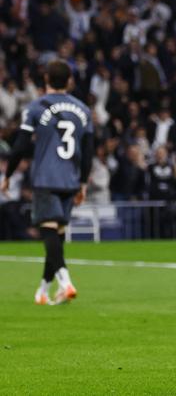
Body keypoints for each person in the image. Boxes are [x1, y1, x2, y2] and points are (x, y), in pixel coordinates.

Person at [1, 60, 93, 305]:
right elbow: (88, 150)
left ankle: (66, 282)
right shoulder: (83, 110)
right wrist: (83, 183)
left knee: (48, 232)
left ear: (46, 80)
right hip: (71, 179)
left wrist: (8, 174)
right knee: (57, 235)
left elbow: (20, 145)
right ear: (70, 80)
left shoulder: (35, 108)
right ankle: (43, 290)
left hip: (46, 177)